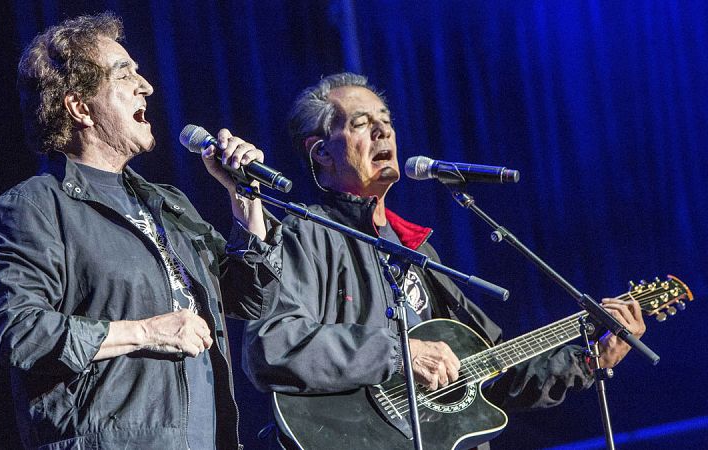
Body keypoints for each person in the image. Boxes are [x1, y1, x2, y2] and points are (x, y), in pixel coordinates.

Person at [242, 73, 646, 448]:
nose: (384, 131)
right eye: (362, 124)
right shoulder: (305, 233)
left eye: (387, 121)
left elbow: (496, 369)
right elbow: (273, 344)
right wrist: (401, 353)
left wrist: (590, 360)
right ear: (322, 152)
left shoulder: (417, 251)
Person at [0, 12, 280, 449]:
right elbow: (19, 332)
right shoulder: (34, 208)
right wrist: (146, 331)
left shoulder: (167, 204)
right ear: (80, 107)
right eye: (124, 74)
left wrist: (244, 198)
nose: (147, 86)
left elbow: (250, 296)